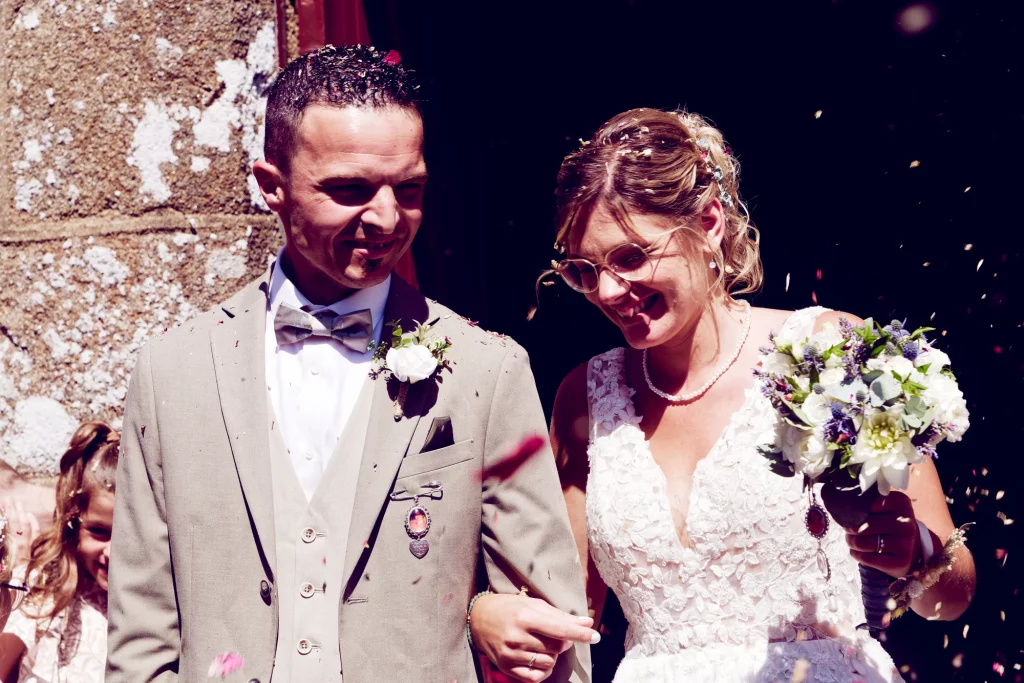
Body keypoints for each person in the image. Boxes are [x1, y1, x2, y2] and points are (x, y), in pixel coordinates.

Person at [105, 45, 595, 683]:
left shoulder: (487, 369)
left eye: (410, 188)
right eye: (349, 189)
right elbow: (141, 640)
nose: (388, 218)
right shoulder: (173, 372)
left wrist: (482, 611)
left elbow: (551, 632)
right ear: (271, 188)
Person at [542, 108, 976, 681]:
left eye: (630, 257)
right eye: (583, 270)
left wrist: (918, 556)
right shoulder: (584, 396)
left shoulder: (828, 351)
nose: (606, 291)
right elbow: (569, 616)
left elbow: (951, 600)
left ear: (710, 222)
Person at [0, 421, 118, 683]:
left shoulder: (160, 607)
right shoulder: (43, 590)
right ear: (74, 522)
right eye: (99, 531)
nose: (111, 551)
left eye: (126, 537)